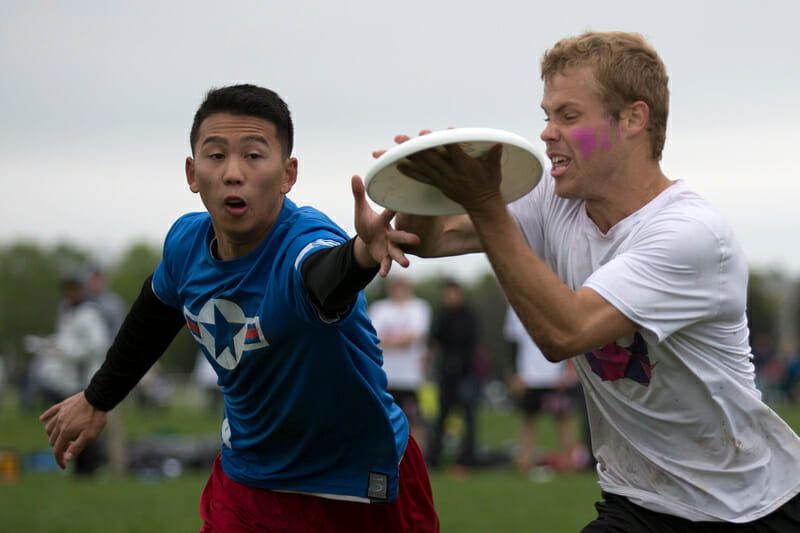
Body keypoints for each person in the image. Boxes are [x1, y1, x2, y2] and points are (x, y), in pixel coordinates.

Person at [378, 31, 800, 529]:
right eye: (546, 115)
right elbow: (432, 239)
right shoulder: (556, 201)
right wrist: (426, 183)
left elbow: (566, 332)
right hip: (635, 500)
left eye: (568, 116)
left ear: (632, 120)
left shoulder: (691, 235)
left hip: (748, 510)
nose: (547, 132)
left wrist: (484, 201)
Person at [40, 84, 439, 532]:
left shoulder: (302, 244)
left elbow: (325, 276)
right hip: (250, 480)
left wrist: (363, 255)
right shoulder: (185, 246)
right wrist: (98, 399)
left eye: (253, 155)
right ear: (192, 174)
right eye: (215, 156)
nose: (233, 172)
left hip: (354, 481)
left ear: (288, 174)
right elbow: (154, 312)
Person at [27, 274, 110, 475]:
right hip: (65, 378)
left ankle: (90, 467)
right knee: (70, 425)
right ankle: (76, 465)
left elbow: (97, 346)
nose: (70, 293)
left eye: (74, 289)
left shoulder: (90, 313)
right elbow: (66, 338)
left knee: (85, 426)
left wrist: (66, 350)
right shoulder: (65, 311)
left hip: (85, 378)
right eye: (67, 289)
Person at [503, 306, 586, 474]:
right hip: (528, 376)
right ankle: (525, 462)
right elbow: (511, 342)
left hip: (555, 375)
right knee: (528, 418)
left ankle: (570, 463)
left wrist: (567, 371)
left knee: (562, 418)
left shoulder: (554, 300)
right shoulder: (515, 306)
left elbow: (569, 337)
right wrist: (515, 374)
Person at [368, 275, 432, 452]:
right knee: (383, 419)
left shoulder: (419, 307)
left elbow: (417, 335)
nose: (399, 290)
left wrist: (389, 341)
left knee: (414, 419)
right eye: (395, 286)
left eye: (402, 286)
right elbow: (372, 338)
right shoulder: (379, 308)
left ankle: (418, 456)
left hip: (410, 376)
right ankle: (386, 455)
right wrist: (401, 341)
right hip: (385, 375)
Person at [425, 279, 480, 472]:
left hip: (465, 373)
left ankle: (468, 457)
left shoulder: (469, 316)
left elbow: (472, 343)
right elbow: (434, 341)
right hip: (446, 373)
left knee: (468, 417)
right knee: (441, 417)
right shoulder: (442, 316)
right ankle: (434, 457)